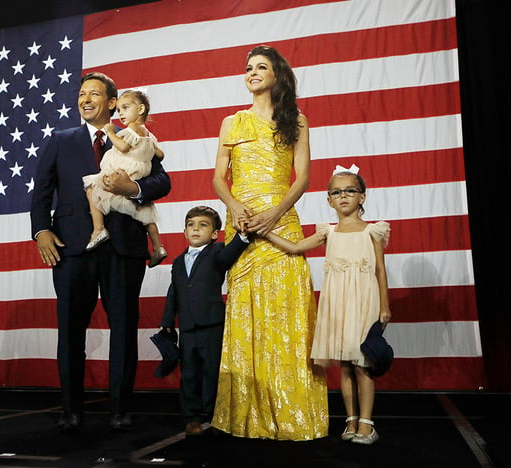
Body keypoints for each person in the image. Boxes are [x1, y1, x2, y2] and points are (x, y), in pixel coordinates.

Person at [30, 72, 172, 432]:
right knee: (70, 330)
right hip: (72, 248)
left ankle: (121, 410)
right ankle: (70, 410)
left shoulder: (134, 136)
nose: (85, 98)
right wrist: (41, 231)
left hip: (123, 246)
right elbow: (41, 192)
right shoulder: (61, 140)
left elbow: (162, 181)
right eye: (81, 94)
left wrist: (134, 186)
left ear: (112, 102)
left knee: (123, 328)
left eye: (94, 93)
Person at [210, 45, 328, 441]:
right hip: (241, 224)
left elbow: (302, 180)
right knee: (247, 314)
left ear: (278, 75)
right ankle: (247, 413)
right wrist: (236, 207)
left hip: (282, 222)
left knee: (288, 312)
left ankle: (294, 414)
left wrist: (274, 214)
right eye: (248, 68)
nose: (252, 73)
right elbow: (218, 179)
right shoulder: (232, 122)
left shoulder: (297, 120)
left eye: (261, 67)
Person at [263, 165, 391, 445]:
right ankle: (351, 421)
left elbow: (380, 269)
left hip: (365, 300)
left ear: (362, 197)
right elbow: (296, 247)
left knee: (363, 363)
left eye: (350, 191)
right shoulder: (328, 233)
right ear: (328, 199)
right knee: (346, 364)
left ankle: (367, 424)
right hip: (338, 301)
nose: (343, 196)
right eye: (336, 192)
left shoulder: (373, 232)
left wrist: (384, 305)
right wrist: (266, 233)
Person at [159, 206, 250, 436]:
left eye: (203, 225)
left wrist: (242, 236)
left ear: (214, 234)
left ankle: (213, 415)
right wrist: (167, 319)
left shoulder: (217, 252)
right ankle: (192, 417)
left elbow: (230, 255)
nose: (196, 229)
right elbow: (174, 291)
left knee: (211, 371)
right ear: (184, 232)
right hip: (188, 327)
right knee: (189, 372)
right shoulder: (179, 261)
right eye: (191, 225)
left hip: (212, 324)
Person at [83, 89, 168, 267]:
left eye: (125, 108)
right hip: (139, 170)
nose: (120, 113)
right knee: (146, 213)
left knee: (92, 189)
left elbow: (122, 147)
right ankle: (158, 247)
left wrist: (111, 133)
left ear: (141, 109)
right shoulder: (148, 135)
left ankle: (98, 229)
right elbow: (159, 154)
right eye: (119, 110)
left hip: (124, 174)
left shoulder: (131, 130)